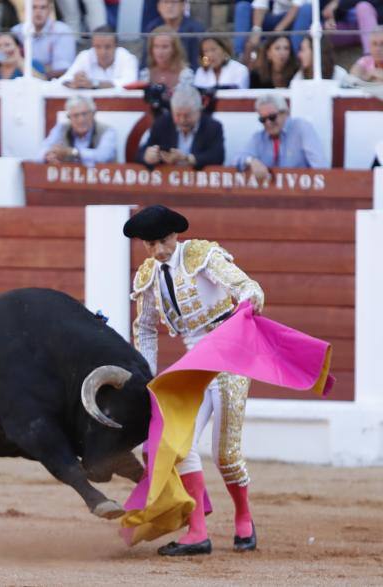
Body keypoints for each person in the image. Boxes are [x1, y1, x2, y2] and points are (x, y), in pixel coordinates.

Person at [125, 204, 264, 556]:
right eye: (150, 244)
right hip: (194, 362)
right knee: (178, 442)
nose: (158, 251)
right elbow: (144, 329)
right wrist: (148, 377)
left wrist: (249, 302)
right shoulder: (147, 275)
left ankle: (243, 516)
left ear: (176, 235)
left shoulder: (202, 255)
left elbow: (248, 287)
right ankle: (197, 531)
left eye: (164, 241)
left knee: (226, 455)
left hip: (229, 355)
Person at [236, 93, 327, 181]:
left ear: (285, 113)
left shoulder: (301, 128)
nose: (268, 123)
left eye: (272, 117)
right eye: (262, 119)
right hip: (270, 194)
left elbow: (320, 167)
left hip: (301, 193)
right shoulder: (259, 138)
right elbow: (237, 158)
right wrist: (251, 161)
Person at [138, 83, 225, 169]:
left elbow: (217, 157)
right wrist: (147, 157)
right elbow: (139, 154)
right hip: (167, 178)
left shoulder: (213, 127)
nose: (182, 120)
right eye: (178, 115)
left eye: (187, 115)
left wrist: (187, 159)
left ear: (198, 111)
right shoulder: (162, 123)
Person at [38, 95, 118, 166]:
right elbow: (41, 152)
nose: (81, 120)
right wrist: (48, 156)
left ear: (93, 114)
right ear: (69, 117)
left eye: (84, 114)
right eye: (76, 115)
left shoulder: (107, 131)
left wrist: (72, 152)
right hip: (68, 182)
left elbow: (103, 156)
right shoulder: (61, 128)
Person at [10, 0, 76, 79]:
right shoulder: (16, 31)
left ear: (49, 10)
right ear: (26, 10)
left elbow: (62, 70)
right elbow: (7, 65)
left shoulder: (62, 31)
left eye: (43, 7)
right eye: (33, 7)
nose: (38, 12)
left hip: (52, 85)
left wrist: (38, 75)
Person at [58, 25, 138, 89]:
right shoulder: (85, 56)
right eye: (98, 47)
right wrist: (74, 82)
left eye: (108, 47)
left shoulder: (127, 58)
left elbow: (130, 82)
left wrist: (95, 84)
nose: (102, 52)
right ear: (92, 46)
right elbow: (63, 80)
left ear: (116, 46)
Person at [236, 0, 313, 59]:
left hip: (296, 20)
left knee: (306, 9)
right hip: (274, 17)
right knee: (242, 6)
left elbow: (296, 8)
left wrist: (275, 34)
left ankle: (296, 57)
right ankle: (239, 55)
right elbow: (260, 5)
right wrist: (256, 31)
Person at [143, 0, 205, 69]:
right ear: (158, 6)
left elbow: (200, 61)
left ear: (183, 5)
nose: (169, 6)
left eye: (174, 2)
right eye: (166, 2)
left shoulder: (195, 29)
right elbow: (145, 60)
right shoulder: (152, 27)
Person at [139, 26, 193, 94]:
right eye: (156, 46)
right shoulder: (145, 74)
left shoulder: (185, 75)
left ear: (174, 49)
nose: (160, 52)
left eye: (165, 47)